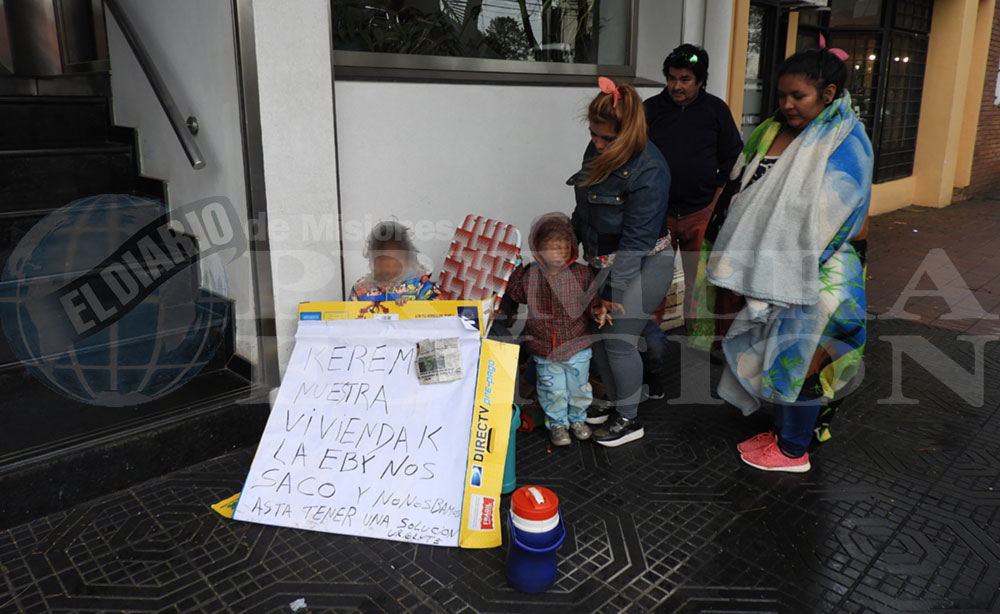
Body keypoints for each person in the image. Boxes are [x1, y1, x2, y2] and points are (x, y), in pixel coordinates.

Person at [690, 48, 873, 472]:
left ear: (828, 93)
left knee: (802, 359)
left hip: (818, 273)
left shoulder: (846, 140)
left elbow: (837, 214)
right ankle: (783, 433)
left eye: (798, 96)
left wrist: (790, 266)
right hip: (771, 268)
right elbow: (744, 189)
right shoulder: (773, 129)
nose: (787, 104)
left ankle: (793, 450)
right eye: (782, 96)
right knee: (776, 352)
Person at [570, 77, 672, 447]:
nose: (597, 144)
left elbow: (635, 243)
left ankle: (629, 419)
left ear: (629, 133)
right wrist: (569, 242)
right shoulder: (596, 150)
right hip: (603, 260)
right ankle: (615, 402)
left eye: (607, 139)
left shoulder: (650, 170)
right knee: (598, 336)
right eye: (594, 134)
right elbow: (585, 208)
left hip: (644, 263)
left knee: (618, 340)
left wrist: (610, 292)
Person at [644, 43, 743, 329]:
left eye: (685, 80)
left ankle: (698, 343)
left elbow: (733, 159)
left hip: (701, 212)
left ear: (700, 81)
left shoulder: (716, 110)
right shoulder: (650, 110)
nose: (677, 86)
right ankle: (650, 345)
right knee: (653, 283)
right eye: (672, 78)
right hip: (658, 215)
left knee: (701, 284)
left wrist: (714, 206)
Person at [505, 213, 597, 446]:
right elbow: (517, 293)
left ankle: (578, 419)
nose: (559, 252)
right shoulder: (531, 274)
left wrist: (600, 311)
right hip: (544, 348)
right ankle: (557, 424)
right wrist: (514, 266)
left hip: (577, 346)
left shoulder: (582, 274)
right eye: (551, 247)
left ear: (572, 248)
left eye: (564, 246)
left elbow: (591, 302)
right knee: (551, 390)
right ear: (538, 250)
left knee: (579, 388)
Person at [349, 221, 439, 303]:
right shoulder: (361, 288)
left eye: (396, 263)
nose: (390, 268)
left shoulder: (420, 284)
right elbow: (350, 316)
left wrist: (411, 307)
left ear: (408, 260)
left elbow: (440, 310)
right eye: (384, 261)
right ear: (373, 261)